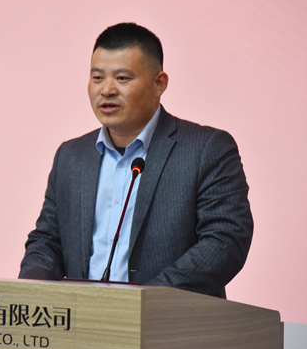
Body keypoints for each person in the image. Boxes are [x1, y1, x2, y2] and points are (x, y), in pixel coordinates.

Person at [19, 22, 253, 298]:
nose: (107, 90)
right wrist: (30, 297)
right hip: (83, 320)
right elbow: (47, 241)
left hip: (167, 319)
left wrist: (145, 301)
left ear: (159, 83)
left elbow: (225, 240)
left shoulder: (205, 149)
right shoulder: (71, 156)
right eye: (97, 78)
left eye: (122, 78)